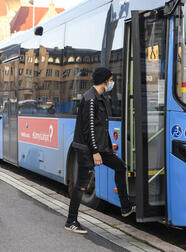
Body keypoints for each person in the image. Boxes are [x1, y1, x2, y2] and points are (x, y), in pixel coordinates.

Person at [65, 67, 135, 234]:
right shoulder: (90, 99)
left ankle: (125, 207)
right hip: (88, 150)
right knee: (81, 185)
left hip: (101, 148)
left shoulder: (101, 97)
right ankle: (71, 220)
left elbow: (101, 128)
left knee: (120, 166)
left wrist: (107, 150)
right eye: (111, 79)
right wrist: (95, 152)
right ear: (105, 81)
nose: (112, 82)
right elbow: (88, 128)